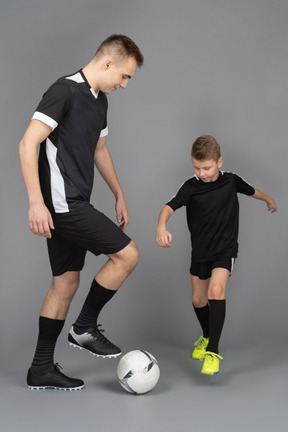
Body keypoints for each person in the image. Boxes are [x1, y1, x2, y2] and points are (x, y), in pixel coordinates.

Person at [19, 34, 144, 390]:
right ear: (108, 63)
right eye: (124, 76)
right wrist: (35, 201)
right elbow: (28, 142)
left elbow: (99, 151)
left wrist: (118, 194)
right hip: (62, 205)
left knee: (65, 283)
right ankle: (84, 327)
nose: (124, 85)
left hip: (75, 202)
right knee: (128, 256)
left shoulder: (99, 101)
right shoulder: (64, 90)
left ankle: (40, 368)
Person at [156, 135, 277, 375]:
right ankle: (207, 335)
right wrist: (161, 227)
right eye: (197, 167)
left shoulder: (231, 181)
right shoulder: (190, 187)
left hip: (225, 249)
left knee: (216, 291)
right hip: (200, 251)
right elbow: (169, 206)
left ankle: (213, 352)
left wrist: (268, 199)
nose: (202, 172)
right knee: (199, 301)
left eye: (207, 167)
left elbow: (251, 190)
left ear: (219, 161)